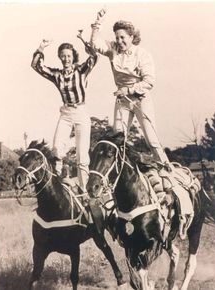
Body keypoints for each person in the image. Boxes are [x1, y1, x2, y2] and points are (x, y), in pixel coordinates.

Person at [90, 9, 194, 240]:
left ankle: (168, 172)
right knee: (118, 138)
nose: (119, 41)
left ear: (131, 36)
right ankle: (117, 176)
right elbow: (95, 44)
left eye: (122, 37)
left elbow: (150, 81)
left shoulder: (142, 54)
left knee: (151, 139)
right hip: (122, 100)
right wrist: (96, 24)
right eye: (116, 37)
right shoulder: (113, 50)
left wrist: (129, 89)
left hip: (140, 98)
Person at [31, 39, 98, 198]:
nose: (65, 59)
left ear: (73, 57)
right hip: (66, 113)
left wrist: (88, 45)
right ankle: (60, 183)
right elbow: (36, 66)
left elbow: (94, 58)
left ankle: (84, 191)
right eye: (63, 56)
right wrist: (41, 48)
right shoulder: (57, 75)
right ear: (60, 58)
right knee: (56, 149)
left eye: (68, 56)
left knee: (82, 155)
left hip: (81, 111)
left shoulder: (81, 70)